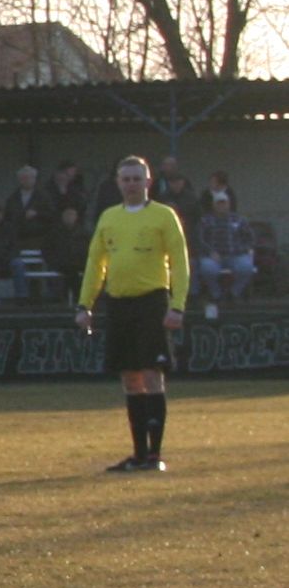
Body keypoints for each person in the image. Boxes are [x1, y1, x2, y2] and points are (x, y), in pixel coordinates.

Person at [76, 155, 189, 474]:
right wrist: (85, 305)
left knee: (153, 373)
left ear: (148, 182)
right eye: (125, 179)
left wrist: (177, 305)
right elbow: (95, 264)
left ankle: (155, 455)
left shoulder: (164, 216)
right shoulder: (109, 218)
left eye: (137, 179)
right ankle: (138, 454)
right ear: (117, 183)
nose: (131, 184)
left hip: (151, 302)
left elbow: (180, 263)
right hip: (119, 304)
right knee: (129, 378)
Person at [192, 183, 256, 317]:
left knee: (247, 267)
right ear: (214, 205)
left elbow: (250, 238)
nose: (222, 206)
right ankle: (216, 293)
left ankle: (234, 293)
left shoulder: (239, 219)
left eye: (224, 203)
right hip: (214, 257)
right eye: (219, 203)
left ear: (229, 204)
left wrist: (243, 250)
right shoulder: (205, 220)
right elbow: (199, 239)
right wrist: (210, 252)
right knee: (207, 269)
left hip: (235, 255)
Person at [45, 204, 94, 305]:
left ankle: (76, 297)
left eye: (72, 215)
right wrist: (53, 260)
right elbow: (46, 249)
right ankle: (73, 297)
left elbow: (91, 248)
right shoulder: (55, 232)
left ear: (76, 216)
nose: (69, 217)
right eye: (67, 215)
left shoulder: (84, 233)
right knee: (70, 271)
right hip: (61, 263)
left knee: (75, 270)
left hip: (80, 262)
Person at [3, 165, 53, 261]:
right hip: (18, 238)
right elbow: (7, 217)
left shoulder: (44, 197)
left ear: (34, 179)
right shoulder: (12, 198)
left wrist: (37, 214)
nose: (27, 180)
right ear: (19, 179)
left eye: (30, 178)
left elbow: (52, 215)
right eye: (24, 178)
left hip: (39, 238)